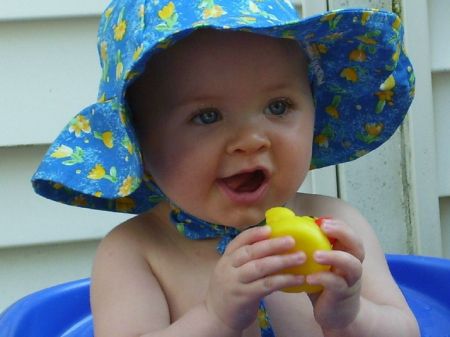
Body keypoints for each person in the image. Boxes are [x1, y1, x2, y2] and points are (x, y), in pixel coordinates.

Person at [32, 1, 419, 336]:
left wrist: (349, 317)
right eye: (207, 116)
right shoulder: (136, 253)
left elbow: (408, 330)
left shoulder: (335, 222)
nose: (251, 139)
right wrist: (214, 318)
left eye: (279, 106)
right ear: (138, 143)